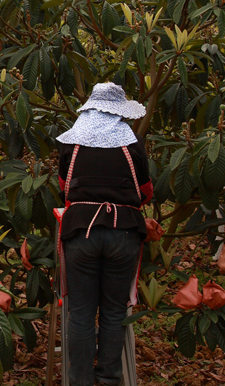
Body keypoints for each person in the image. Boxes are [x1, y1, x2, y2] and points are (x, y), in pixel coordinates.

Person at [56, 82, 153, 386]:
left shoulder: (72, 143)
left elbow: (64, 188)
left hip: (80, 232)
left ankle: (80, 381)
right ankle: (109, 379)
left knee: (81, 313)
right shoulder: (132, 143)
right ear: (118, 111)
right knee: (113, 311)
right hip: (124, 233)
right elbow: (145, 190)